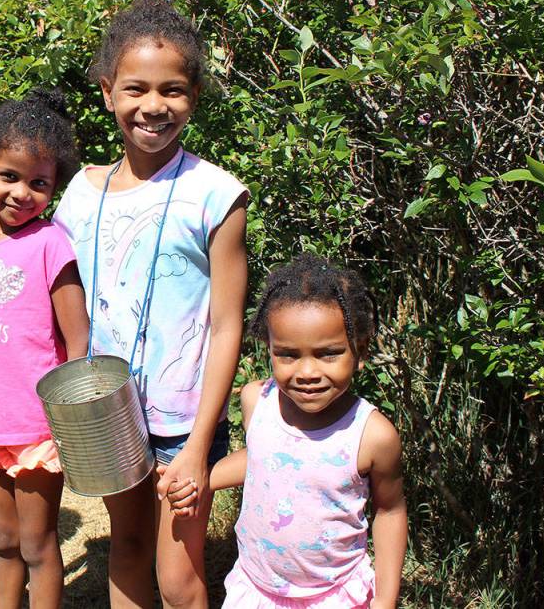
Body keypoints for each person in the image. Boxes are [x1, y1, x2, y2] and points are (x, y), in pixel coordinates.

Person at [52, 0, 249, 608]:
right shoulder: (79, 195)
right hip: (108, 414)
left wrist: (198, 445)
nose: (154, 106)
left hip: (183, 420)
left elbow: (226, 324)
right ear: (108, 91)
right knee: (127, 546)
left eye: (174, 90)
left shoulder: (215, 194)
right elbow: (60, 307)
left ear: (193, 95)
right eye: (136, 88)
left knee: (179, 576)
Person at [166, 254, 407, 608]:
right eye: (288, 355)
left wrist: (385, 599)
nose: (307, 371)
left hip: (333, 595)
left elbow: (390, 511)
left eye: (328, 354)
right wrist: (199, 478)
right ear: (270, 350)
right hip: (257, 590)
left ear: (361, 352)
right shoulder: (256, 402)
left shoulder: (371, 435)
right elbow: (266, 458)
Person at [0, 88, 90, 609]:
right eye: (9, 176)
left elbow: (78, 340)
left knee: (36, 544)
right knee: (2, 541)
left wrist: (69, 421)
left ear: (53, 187)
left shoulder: (51, 244)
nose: (22, 193)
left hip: (36, 427)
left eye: (39, 183)